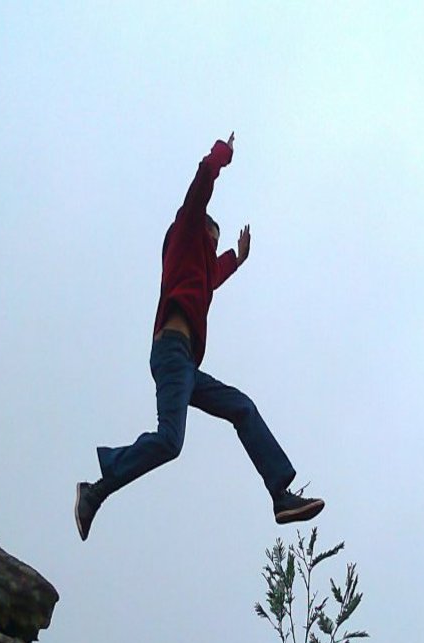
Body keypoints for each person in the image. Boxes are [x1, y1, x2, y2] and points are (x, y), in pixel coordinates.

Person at [74, 133, 324, 541]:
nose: (214, 249)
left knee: (242, 407)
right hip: (171, 353)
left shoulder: (199, 268)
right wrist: (221, 155)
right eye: (215, 241)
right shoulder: (186, 230)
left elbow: (211, 278)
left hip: (187, 365)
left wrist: (236, 259)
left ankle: (280, 495)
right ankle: (96, 491)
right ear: (203, 231)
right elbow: (203, 181)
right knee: (170, 441)